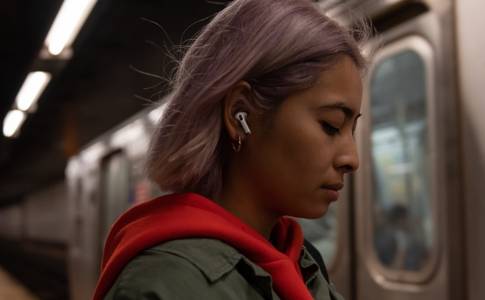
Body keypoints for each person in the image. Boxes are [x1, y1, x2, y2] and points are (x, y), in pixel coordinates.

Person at [93, 0, 369, 299]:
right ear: (241, 114)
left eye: (351, 129)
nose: (351, 159)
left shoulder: (302, 261)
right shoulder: (163, 284)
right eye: (330, 125)